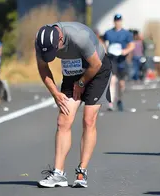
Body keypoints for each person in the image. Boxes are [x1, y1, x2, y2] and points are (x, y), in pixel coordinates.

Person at [35, 22, 112, 188]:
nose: (54, 54)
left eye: (55, 51)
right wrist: (56, 94)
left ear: (61, 39)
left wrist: (82, 83)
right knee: (63, 120)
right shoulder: (41, 40)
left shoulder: (79, 37)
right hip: (71, 72)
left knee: (88, 120)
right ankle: (58, 173)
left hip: (97, 71)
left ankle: (81, 171)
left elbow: (96, 64)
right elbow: (43, 68)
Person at [103, 14, 135, 111]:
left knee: (121, 83)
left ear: (121, 21)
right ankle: (110, 103)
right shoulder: (108, 33)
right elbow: (103, 42)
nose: (118, 23)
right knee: (112, 80)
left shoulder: (126, 33)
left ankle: (120, 100)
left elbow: (132, 45)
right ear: (114, 22)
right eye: (116, 21)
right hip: (112, 58)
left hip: (122, 59)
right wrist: (105, 50)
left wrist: (125, 51)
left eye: (119, 21)